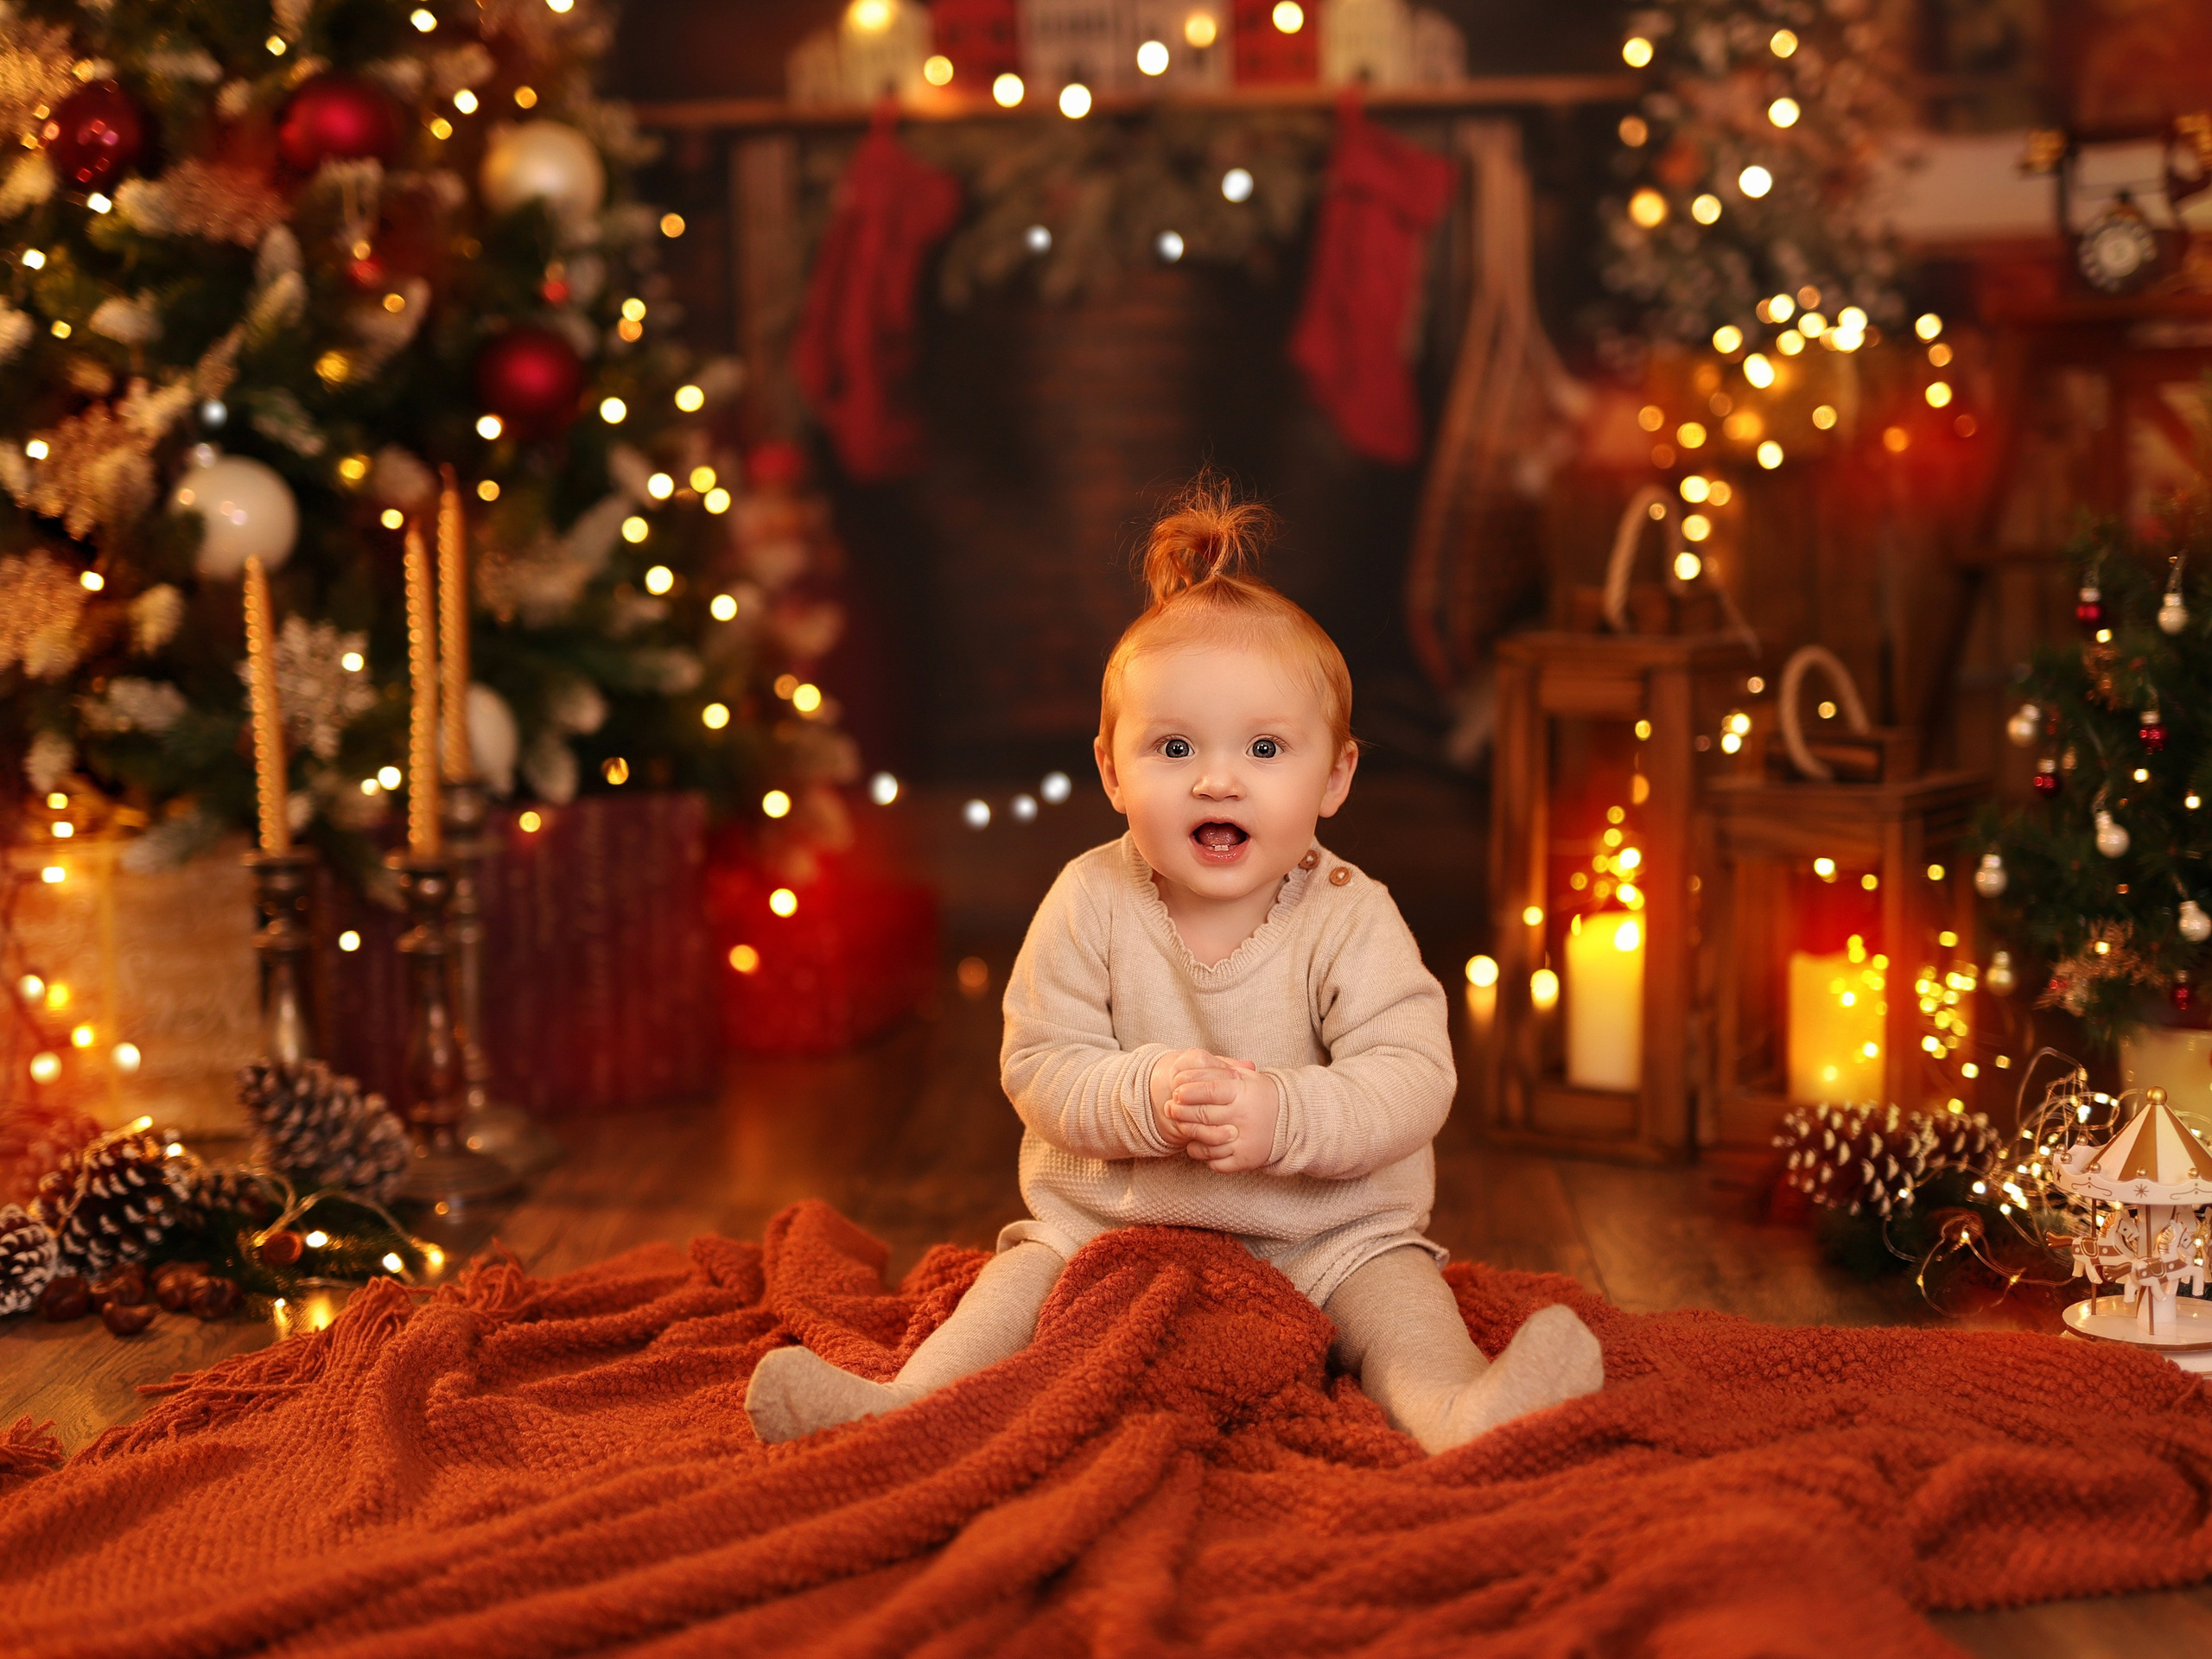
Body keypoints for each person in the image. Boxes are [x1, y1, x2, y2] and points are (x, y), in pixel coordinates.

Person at [746, 481, 1603, 1452]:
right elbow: (1039, 1064)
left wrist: (1283, 1116)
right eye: (1175, 746)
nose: (1217, 779)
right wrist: (1145, 1096)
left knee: (1400, 1297)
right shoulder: (1089, 898)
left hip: (1326, 1234)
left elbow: (1413, 1078)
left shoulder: (1349, 915)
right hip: (1114, 1228)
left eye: (1266, 748)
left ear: (1334, 778)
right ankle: (908, 1405)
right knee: (1017, 1279)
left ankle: (1461, 1412)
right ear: (1112, 770)